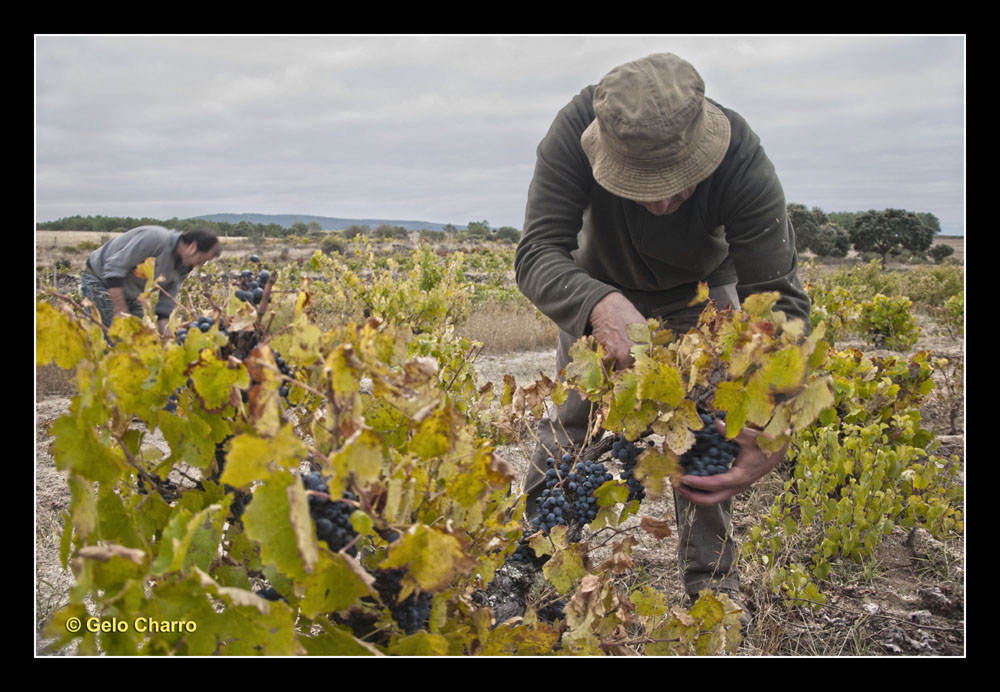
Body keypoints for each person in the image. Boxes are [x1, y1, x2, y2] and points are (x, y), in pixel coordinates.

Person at [514, 53, 810, 614]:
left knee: (709, 434)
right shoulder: (574, 129)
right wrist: (594, 301)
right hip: (599, 289)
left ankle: (713, 594)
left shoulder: (742, 156)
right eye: (641, 185)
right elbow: (535, 253)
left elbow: (780, 299)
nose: (661, 202)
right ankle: (531, 571)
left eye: (679, 184)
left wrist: (772, 407)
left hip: (702, 296)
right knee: (572, 428)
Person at [80, 225, 221, 335]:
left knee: (139, 339)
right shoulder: (156, 239)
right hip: (100, 280)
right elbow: (113, 269)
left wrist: (168, 339)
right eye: (202, 260)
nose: (201, 265)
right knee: (113, 340)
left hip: (130, 293)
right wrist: (120, 310)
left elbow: (164, 309)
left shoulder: (183, 268)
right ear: (192, 247)